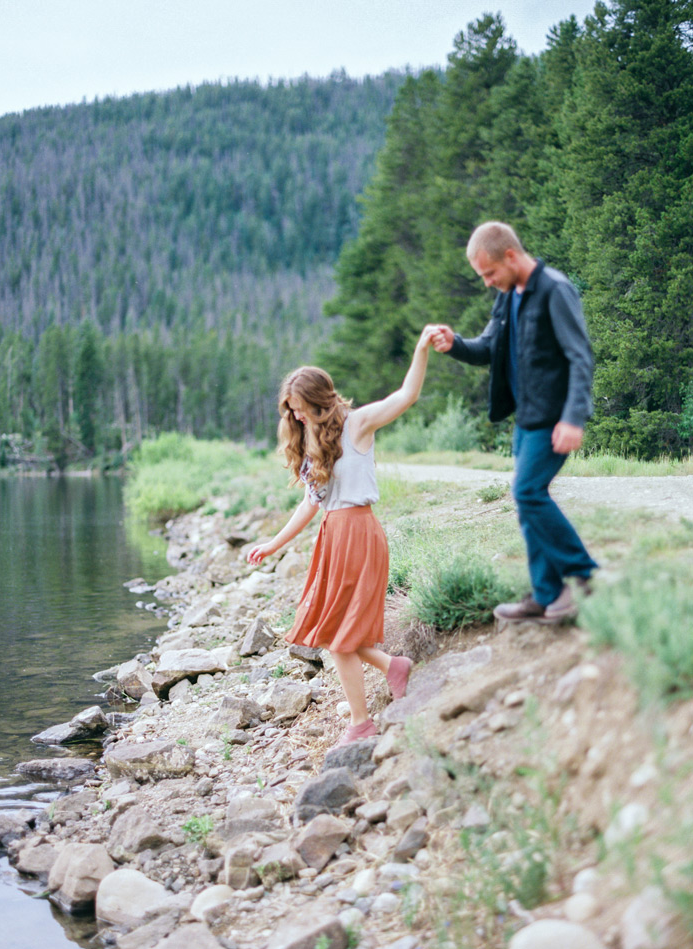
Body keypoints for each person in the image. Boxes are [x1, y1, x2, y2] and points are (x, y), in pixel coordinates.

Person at [247, 328, 437, 746]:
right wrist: (273, 544)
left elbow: (406, 395)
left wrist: (421, 347)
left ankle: (360, 722)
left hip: (360, 533)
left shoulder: (358, 425)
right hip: (333, 536)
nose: (295, 417)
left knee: (338, 637)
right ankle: (393, 667)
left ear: (318, 400)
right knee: (335, 632)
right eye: (291, 411)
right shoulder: (311, 439)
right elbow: (310, 505)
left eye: (299, 408)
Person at [430, 221, 597, 623]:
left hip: (555, 420)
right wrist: (455, 345)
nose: (487, 282)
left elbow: (581, 357)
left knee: (527, 493)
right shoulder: (508, 296)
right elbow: (488, 347)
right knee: (527, 503)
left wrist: (574, 417)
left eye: (489, 273)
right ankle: (545, 594)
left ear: (510, 256)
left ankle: (584, 574)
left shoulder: (555, 290)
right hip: (526, 421)